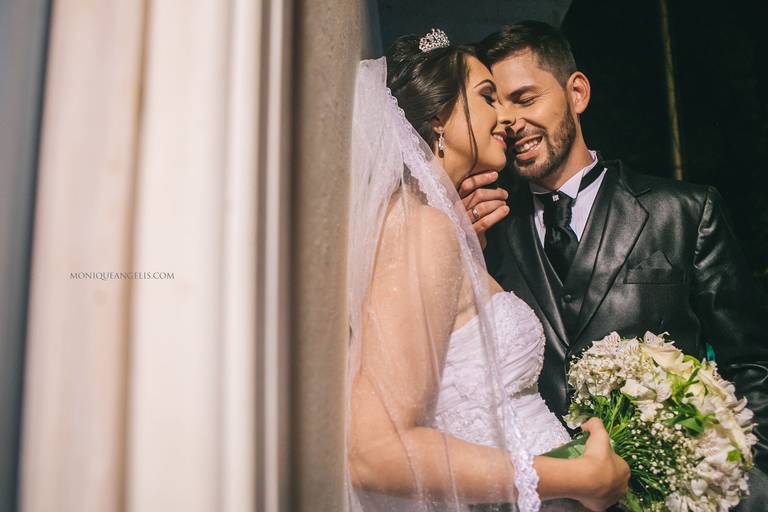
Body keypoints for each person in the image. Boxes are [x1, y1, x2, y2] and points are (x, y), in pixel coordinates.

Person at [459, 20, 768, 510]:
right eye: (497, 106)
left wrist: (740, 480)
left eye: (525, 98)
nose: (510, 122)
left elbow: (751, 366)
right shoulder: (487, 233)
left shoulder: (685, 212)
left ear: (576, 92)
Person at [345, 29, 629, 512]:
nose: (504, 118)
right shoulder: (423, 229)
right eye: (487, 98)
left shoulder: (448, 227)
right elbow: (375, 453)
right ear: (438, 119)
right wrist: (574, 476)